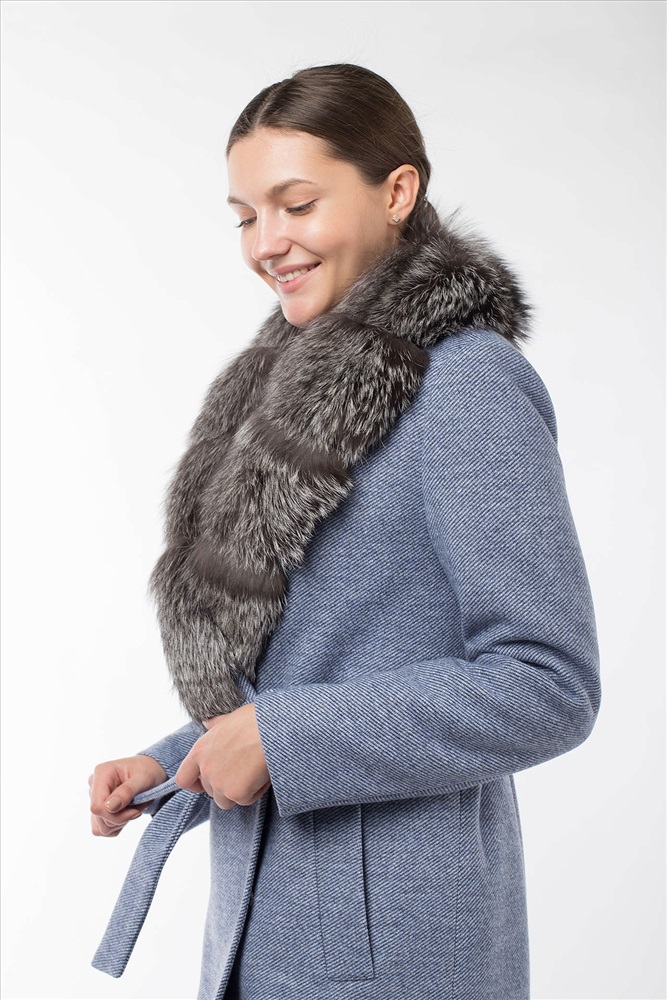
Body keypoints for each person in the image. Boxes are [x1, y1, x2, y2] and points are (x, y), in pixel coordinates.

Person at [89, 63, 601, 1000]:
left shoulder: (465, 384)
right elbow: (318, 665)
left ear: (396, 191)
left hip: (395, 948)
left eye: (296, 205)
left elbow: (548, 684)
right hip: (260, 924)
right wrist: (170, 761)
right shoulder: (284, 396)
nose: (266, 243)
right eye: (245, 216)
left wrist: (279, 739)